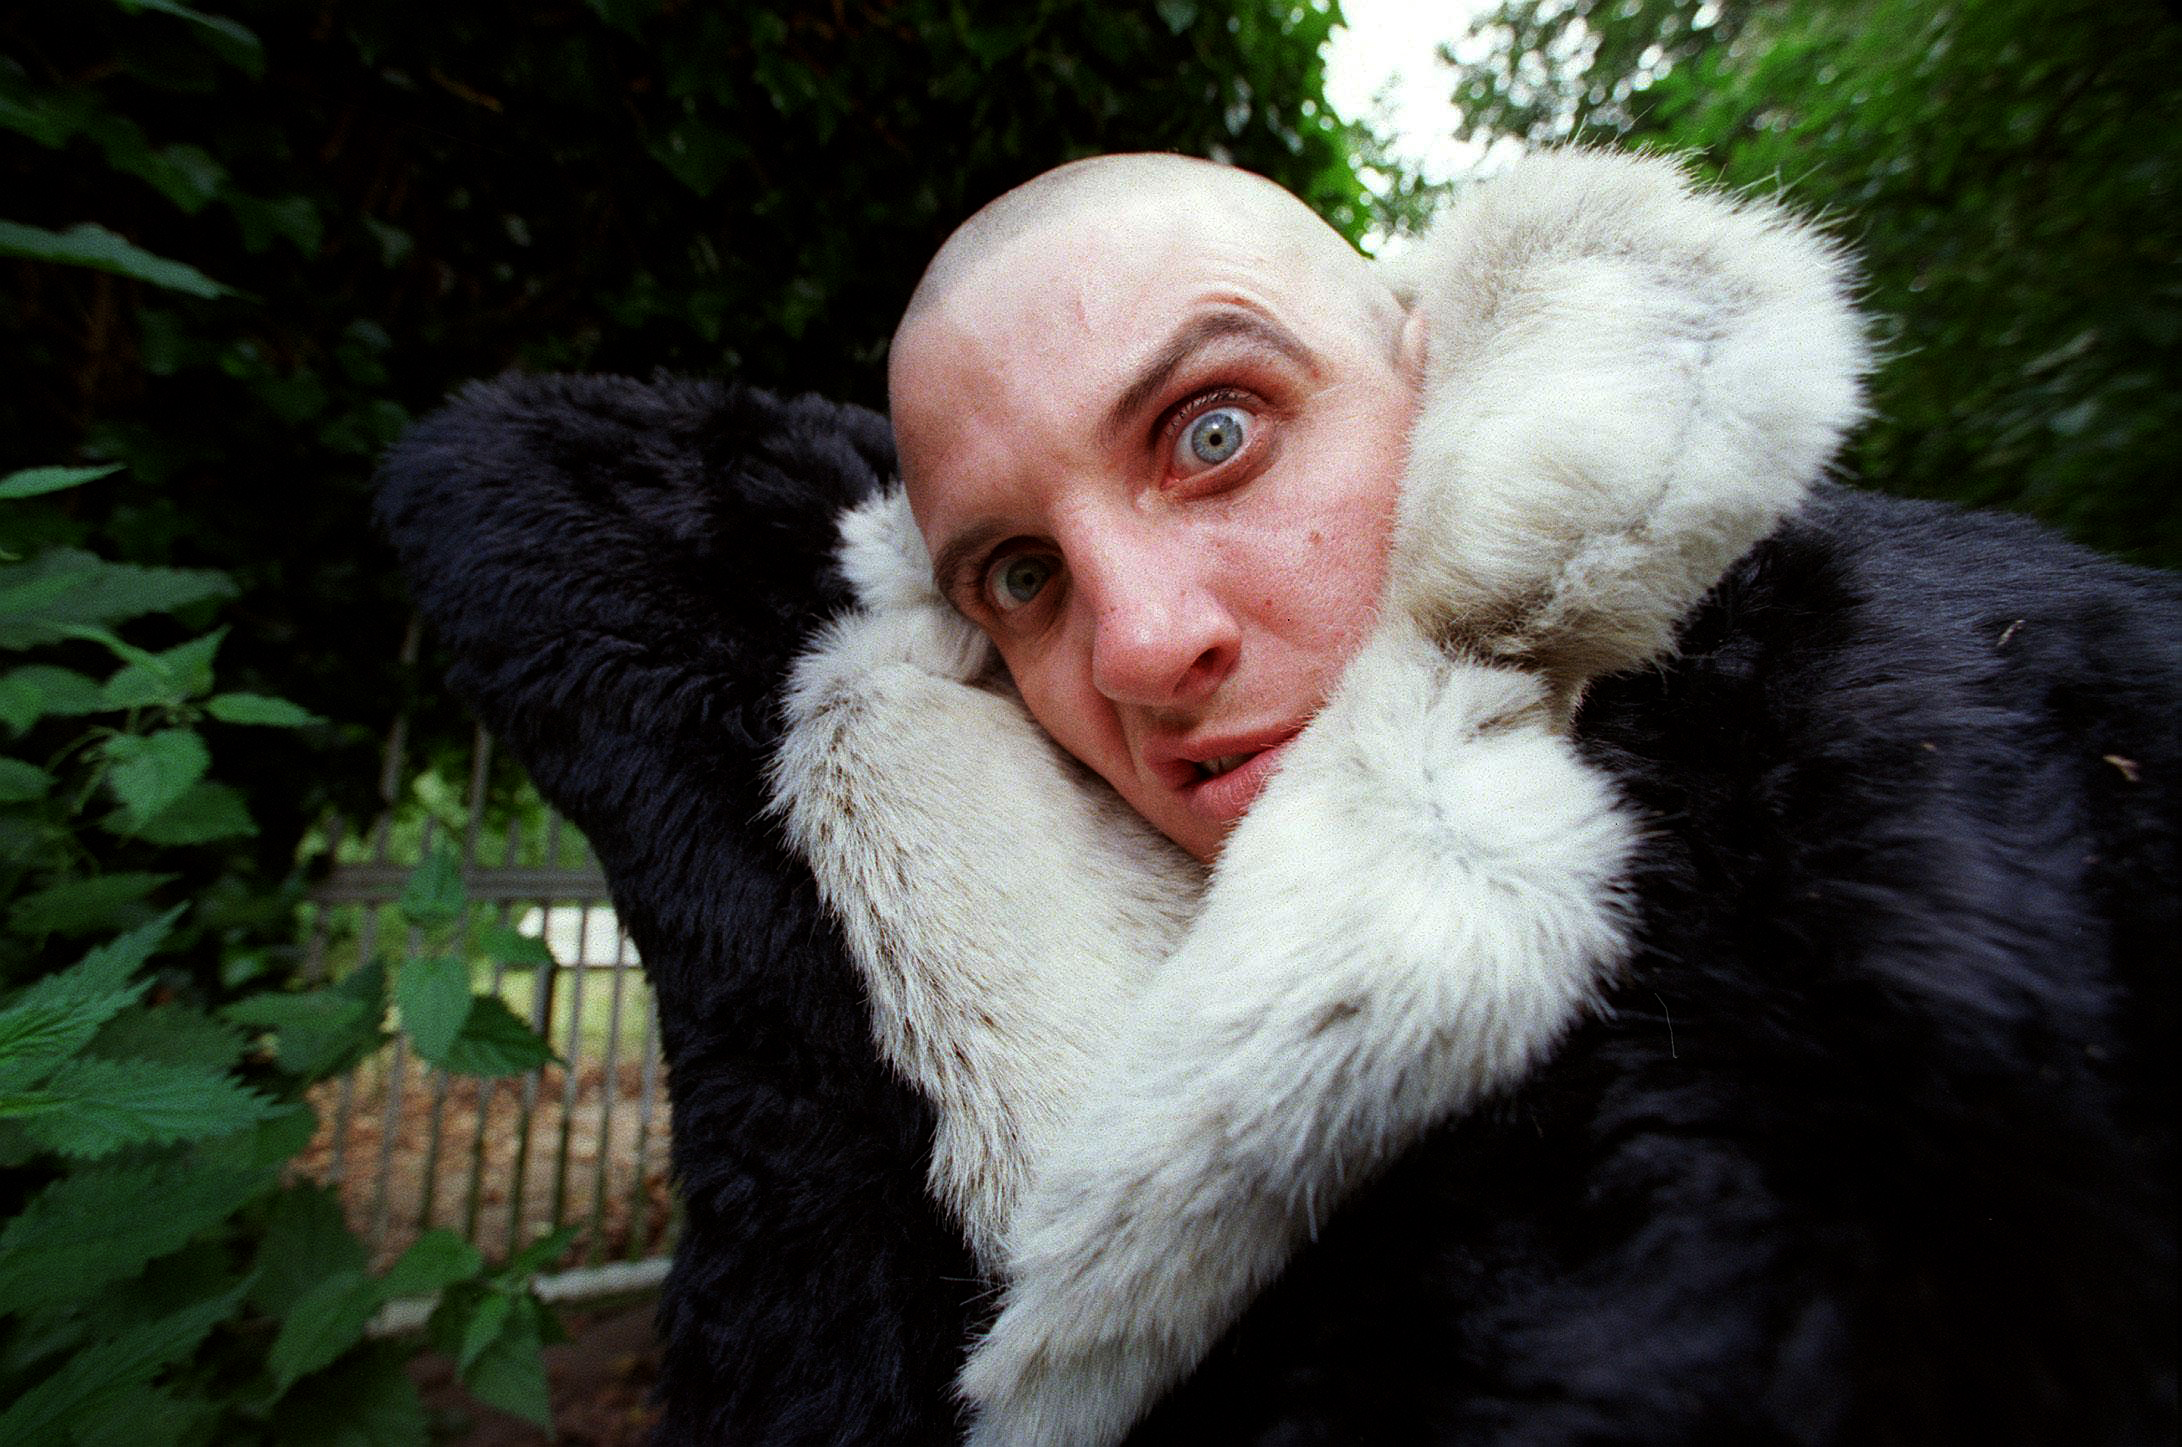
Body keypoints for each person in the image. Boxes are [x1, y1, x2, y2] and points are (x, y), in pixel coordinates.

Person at [378, 148, 2177, 1444]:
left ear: (1427, 375)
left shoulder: (1972, 716)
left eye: (1212, 431)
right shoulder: (941, 958)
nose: (1140, 647)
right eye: (1021, 576)